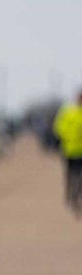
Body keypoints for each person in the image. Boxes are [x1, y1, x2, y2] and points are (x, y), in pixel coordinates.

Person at [52, 90, 82, 218]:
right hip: (69, 150)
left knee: (77, 176)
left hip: (78, 150)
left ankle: (74, 197)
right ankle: (72, 196)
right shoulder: (68, 113)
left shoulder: (69, 112)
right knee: (71, 175)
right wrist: (70, 136)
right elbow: (58, 127)